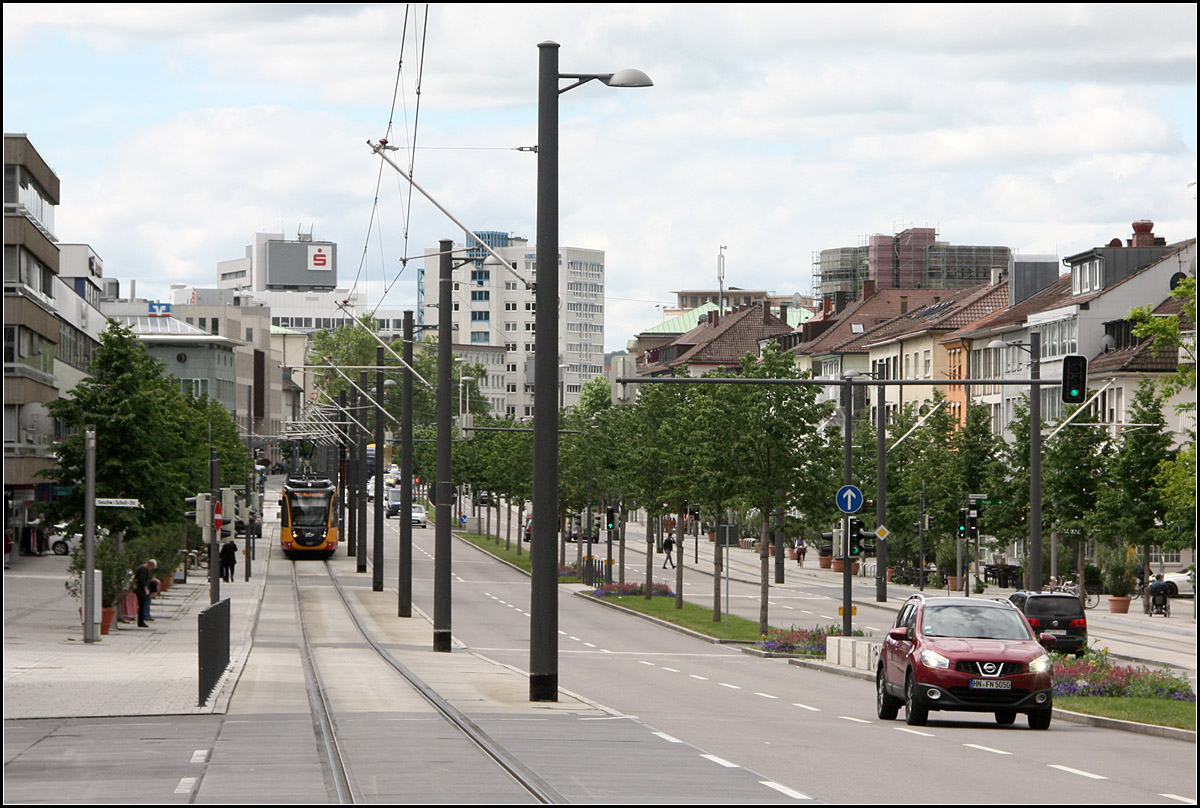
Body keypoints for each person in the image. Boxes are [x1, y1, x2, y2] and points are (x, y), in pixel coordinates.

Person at [133, 558, 157, 627]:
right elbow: (142, 580)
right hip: (140, 590)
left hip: (139, 589)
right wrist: (145, 588)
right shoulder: (144, 569)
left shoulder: (142, 568)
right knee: (142, 605)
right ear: (149, 564)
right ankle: (141, 622)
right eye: (152, 567)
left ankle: (141, 621)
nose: (151, 569)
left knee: (142, 605)